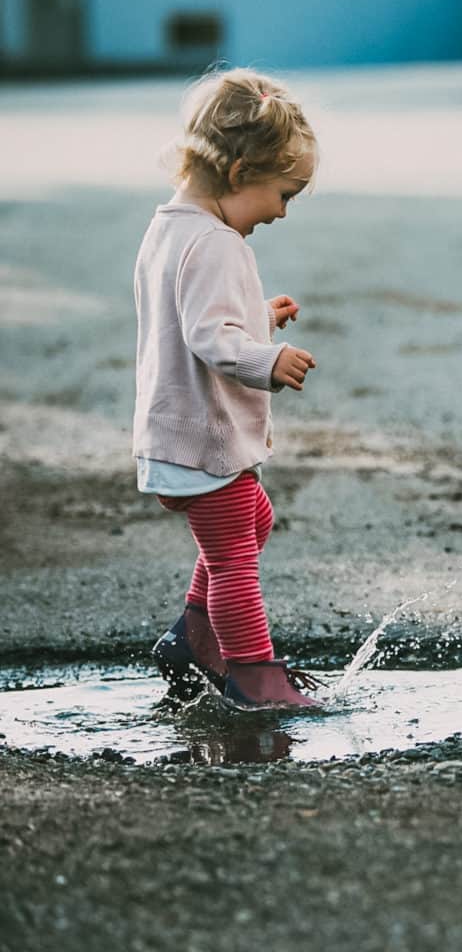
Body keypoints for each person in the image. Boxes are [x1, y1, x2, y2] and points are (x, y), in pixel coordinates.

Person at [132, 67, 321, 708]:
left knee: (251, 523)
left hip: (175, 433)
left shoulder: (172, 227)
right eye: (284, 194)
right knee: (236, 555)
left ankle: (193, 634)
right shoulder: (213, 243)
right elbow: (212, 338)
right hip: (202, 438)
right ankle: (254, 676)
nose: (282, 212)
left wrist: (258, 313)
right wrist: (268, 358)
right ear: (240, 175)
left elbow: (192, 315)